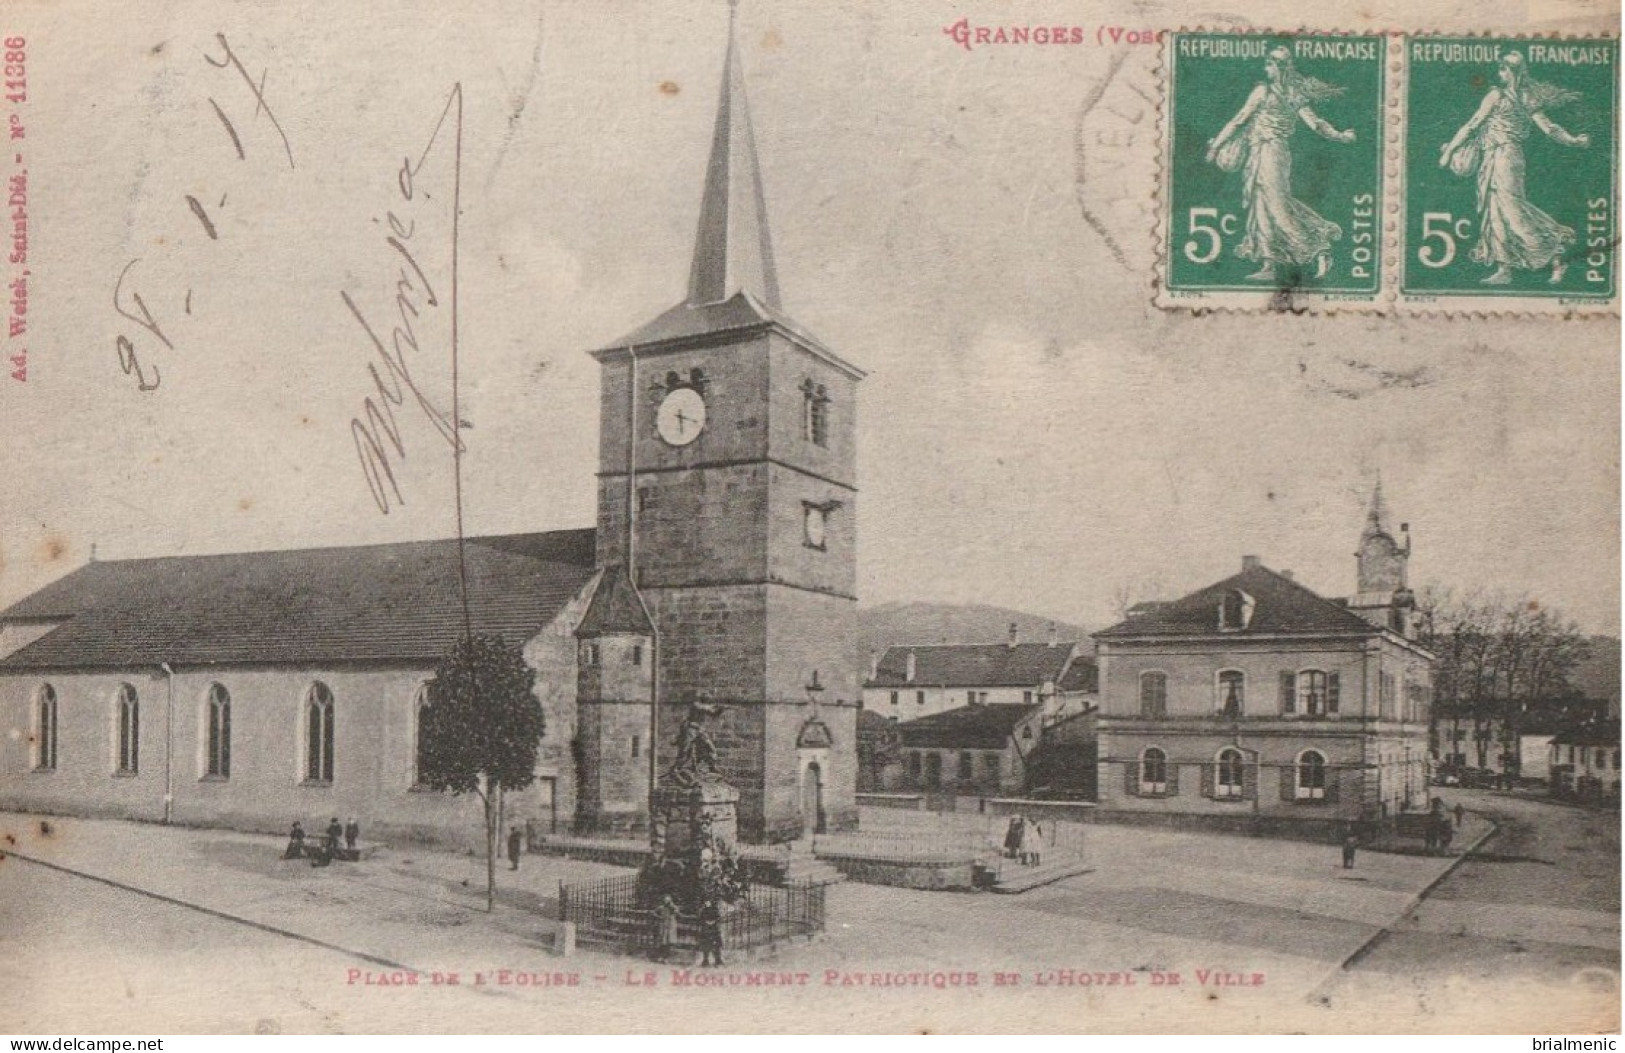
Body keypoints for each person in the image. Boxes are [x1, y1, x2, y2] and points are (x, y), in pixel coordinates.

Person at [1204, 47, 1356, 282]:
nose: (1266, 68)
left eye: (1269, 64)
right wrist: (1340, 136)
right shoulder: (1290, 92)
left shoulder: (1266, 92)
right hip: (1263, 152)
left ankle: (1319, 250)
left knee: (1277, 206)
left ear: (1279, 67)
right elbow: (1316, 123)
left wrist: (1215, 147)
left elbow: (1238, 121)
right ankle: (1269, 264)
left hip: (1271, 152)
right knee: (1261, 204)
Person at [1439, 52, 1590, 285]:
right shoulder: (1516, 96)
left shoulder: (1503, 96)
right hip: (1495, 157)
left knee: (1512, 210)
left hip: (1506, 157)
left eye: (1504, 69)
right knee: (1495, 211)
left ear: (1514, 71)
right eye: (1499, 68)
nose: (1500, 73)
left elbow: (1547, 127)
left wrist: (1573, 141)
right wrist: (1573, 140)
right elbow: (1474, 125)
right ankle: (1505, 269)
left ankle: (1557, 251)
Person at [698, 898, 724, 968]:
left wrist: (713, 922)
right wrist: (706, 922)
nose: (707, 903)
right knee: (706, 946)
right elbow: (700, 919)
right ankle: (705, 961)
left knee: (716, 946)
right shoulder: (703, 910)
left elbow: (718, 918)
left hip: (714, 930)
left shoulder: (715, 910)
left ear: (711, 902)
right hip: (706, 930)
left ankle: (718, 961)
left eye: (708, 902)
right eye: (706, 902)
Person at [654, 894, 680, 964]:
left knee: (669, 943)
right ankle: (661, 957)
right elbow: (654, 912)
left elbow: (677, 913)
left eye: (668, 900)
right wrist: (659, 917)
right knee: (662, 942)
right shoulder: (661, 907)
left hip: (670, 927)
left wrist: (672, 907)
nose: (666, 902)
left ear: (670, 901)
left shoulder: (674, 907)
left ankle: (666, 958)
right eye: (665, 900)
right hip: (663, 926)